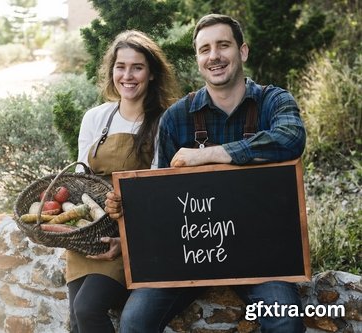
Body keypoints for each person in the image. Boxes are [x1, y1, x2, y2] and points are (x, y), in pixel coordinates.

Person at [105, 14, 306, 333]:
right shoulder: (177, 117)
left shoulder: (273, 101)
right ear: (198, 59)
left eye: (223, 45)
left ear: (242, 52)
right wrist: (125, 210)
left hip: (262, 259)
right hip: (189, 257)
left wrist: (209, 155)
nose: (214, 56)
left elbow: (291, 139)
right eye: (205, 49)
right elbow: (159, 197)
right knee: (134, 322)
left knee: (286, 323)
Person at [67, 30, 181, 333]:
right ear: (111, 70)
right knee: (77, 321)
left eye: (137, 67)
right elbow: (80, 178)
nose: (127, 75)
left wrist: (129, 241)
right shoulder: (96, 118)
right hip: (89, 233)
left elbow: (160, 193)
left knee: (87, 309)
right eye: (121, 66)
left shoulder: (164, 122)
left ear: (152, 73)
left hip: (131, 236)